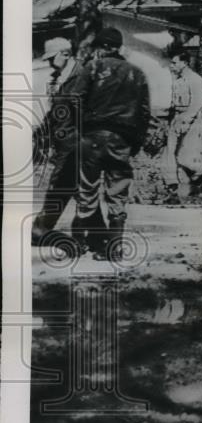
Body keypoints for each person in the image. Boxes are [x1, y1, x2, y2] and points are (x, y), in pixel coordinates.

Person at [65, 26, 151, 261]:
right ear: (119, 47)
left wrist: (78, 130)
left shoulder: (91, 68)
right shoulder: (137, 73)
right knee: (117, 192)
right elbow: (144, 113)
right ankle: (114, 248)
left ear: (101, 48)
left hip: (91, 137)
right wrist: (136, 143)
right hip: (121, 140)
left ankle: (78, 243)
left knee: (86, 189)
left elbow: (74, 101)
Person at [31, 37, 99, 250]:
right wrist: (42, 133)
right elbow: (55, 113)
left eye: (52, 59)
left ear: (65, 54)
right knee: (73, 188)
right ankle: (98, 235)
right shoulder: (62, 77)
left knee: (64, 185)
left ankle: (42, 229)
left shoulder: (82, 76)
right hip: (64, 142)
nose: (50, 63)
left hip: (76, 142)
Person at [163, 49, 202, 204]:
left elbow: (197, 103)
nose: (171, 66)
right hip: (176, 117)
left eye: (174, 63)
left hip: (191, 119)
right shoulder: (178, 80)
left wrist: (186, 121)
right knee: (169, 155)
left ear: (185, 63)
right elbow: (174, 103)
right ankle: (172, 191)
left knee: (185, 157)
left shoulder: (195, 80)